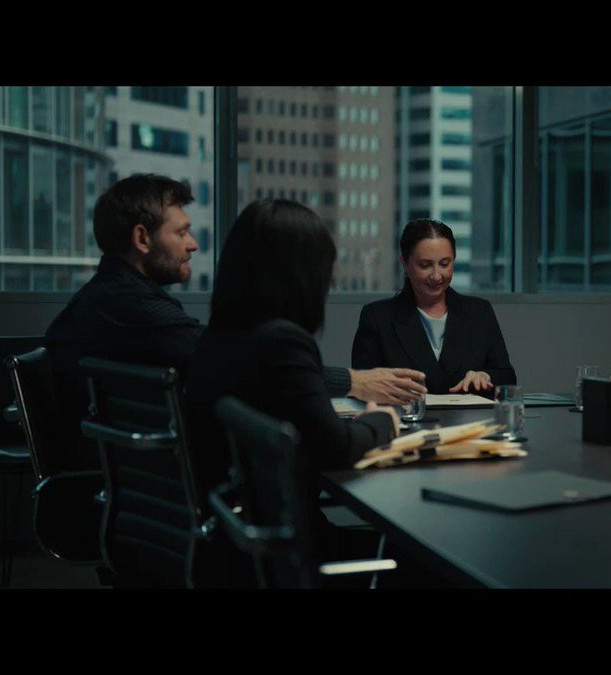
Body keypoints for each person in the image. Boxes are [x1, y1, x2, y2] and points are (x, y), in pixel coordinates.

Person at [45, 174, 424, 472]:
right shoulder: (129, 308)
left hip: (140, 495)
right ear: (142, 238)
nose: (193, 244)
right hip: (137, 487)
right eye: (181, 232)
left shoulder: (108, 299)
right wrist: (363, 395)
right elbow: (246, 359)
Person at [184, 198, 400, 576]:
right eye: (325, 269)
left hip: (239, 546)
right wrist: (382, 421)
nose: (330, 282)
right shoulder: (282, 342)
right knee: (428, 565)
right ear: (299, 274)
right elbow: (337, 449)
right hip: (290, 558)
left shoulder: (216, 338)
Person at [351, 218, 516, 394]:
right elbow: (362, 384)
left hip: (468, 412)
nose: (437, 276)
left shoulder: (479, 312)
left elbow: (507, 377)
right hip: (405, 412)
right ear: (405, 264)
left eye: (445, 264)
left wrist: (485, 376)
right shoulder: (378, 317)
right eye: (425, 265)